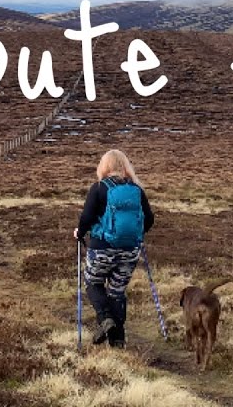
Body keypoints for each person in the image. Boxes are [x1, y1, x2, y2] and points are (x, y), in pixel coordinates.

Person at [73, 149, 155, 348]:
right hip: (130, 250)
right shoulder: (136, 189)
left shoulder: (99, 188)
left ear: (104, 166)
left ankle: (105, 318)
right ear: (125, 166)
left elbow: (87, 217)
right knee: (117, 292)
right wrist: (136, 235)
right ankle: (117, 340)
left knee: (93, 283)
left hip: (102, 248)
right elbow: (149, 218)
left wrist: (80, 232)